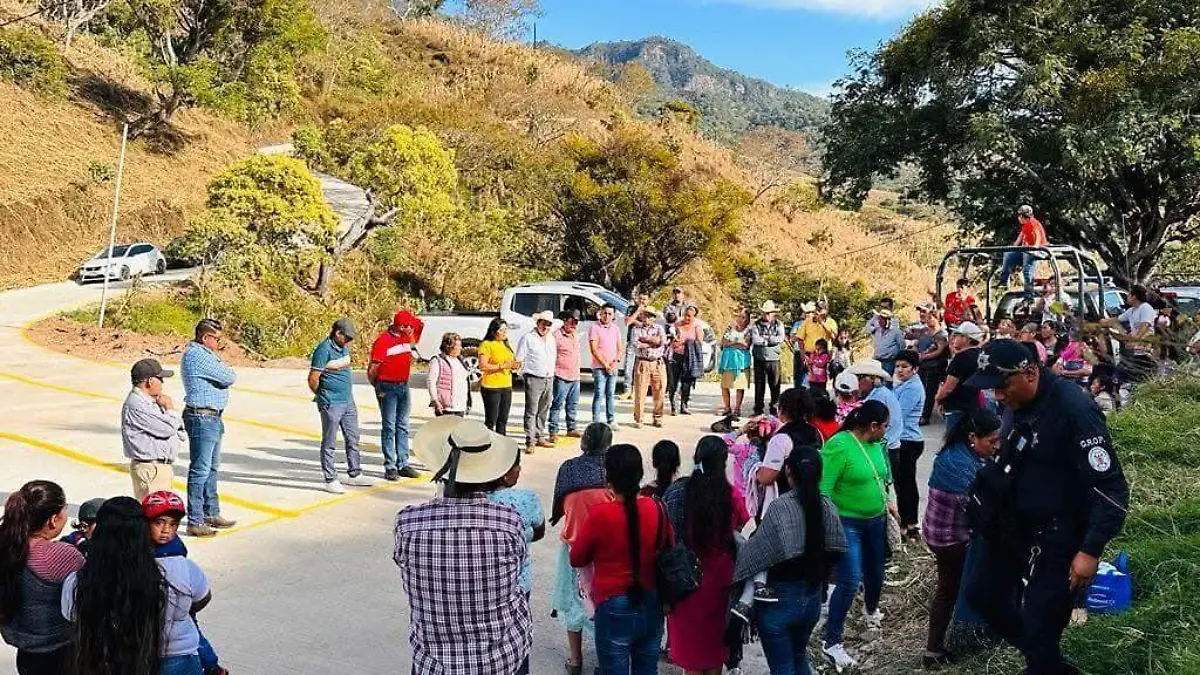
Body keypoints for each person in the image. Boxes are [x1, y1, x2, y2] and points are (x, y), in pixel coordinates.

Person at [964, 339, 1129, 675]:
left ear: (1029, 372)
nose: (997, 396)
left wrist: (1091, 550)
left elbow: (1110, 488)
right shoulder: (1016, 403)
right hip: (1014, 528)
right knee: (983, 595)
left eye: (1002, 386)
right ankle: (1047, 662)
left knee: (1043, 627)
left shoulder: (1074, 410)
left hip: (1058, 536)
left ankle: (1044, 660)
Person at [397, 416, 533, 675]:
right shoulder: (508, 521)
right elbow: (516, 572)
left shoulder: (408, 523)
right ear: (491, 472)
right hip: (500, 659)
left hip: (434, 662)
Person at [64, 496, 212, 675]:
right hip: (174, 659)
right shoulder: (182, 569)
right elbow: (201, 599)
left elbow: (70, 616)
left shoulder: (76, 582)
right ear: (144, 530)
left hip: (104, 663)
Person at [733, 446, 848, 675]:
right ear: (820, 474)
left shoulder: (780, 507)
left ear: (788, 472)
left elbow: (755, 554)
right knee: (798, 657)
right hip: (811, 601)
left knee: (783, 667)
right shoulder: (827, 506)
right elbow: (837, 550)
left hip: (779, 603)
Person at [571, 443, 672, 675]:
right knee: (647, 668)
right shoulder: (657, 507)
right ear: (639, 475)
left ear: (609, 478)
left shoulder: (600, 514)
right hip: (651, 599)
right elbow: (669, 547)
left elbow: (577, 557)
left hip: (613, 602)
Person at [819, 401, 896, 670]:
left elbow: (881, 478)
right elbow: (824, 490)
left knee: (876, 572)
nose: (887, 430)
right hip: (846, 522)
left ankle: (871, 610)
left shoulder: (877, 445)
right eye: (885, 425)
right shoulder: (839, 446)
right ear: (873, 426)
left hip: (876, 520)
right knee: (850, 580)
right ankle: (832, 642)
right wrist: (827, 527)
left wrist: (887, 502)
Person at [922, 409, 1002, 669]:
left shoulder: (957, 453)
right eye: (991, 441)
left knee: (949, 589)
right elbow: (985, 515)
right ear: (972, 437)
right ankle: (968, 643)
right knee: (964, 587)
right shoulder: (963, 468)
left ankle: (935, 649)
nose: (996, 446)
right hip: (950, 539)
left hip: (939, 532)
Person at [664, 437, 750, 675]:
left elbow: (668, 532)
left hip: (688, 581)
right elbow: (740, 526)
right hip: (721, 580)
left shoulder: (680, 492)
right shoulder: (730, 495)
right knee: (714, 652)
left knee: (691, 656)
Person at [550, 423, 615, 675]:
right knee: (605, 605)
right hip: (607, 552)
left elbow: (557, 510)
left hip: (574, 547)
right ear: (608, 445)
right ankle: (603, 662)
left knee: (573, 603)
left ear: (583, 443)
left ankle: (575, 661)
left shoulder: (568, 469)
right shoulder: (614, 471)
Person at [0, 481, 83, 675]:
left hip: (26, 651)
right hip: (61, 652)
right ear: (53, 520)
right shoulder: (61, 556)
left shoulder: (6, 547)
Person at [142, 492, 224, 675]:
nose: (166, 530)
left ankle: (211, 665)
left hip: (173, 647)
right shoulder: (140, 552)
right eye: (159, 522)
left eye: (173, 524)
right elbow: (202, 597)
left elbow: (201, 598)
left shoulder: (176, 553)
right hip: (162, 645)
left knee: (190, 625)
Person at [180, 319, 237, 538]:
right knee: (200, 469)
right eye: (217, 339)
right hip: (202, 417)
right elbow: (229, 376)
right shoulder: (197, 355)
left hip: (212, 417)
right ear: (205, 338)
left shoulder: (206, 354)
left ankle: (211, 512)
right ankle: (195, 519)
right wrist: (222, 370)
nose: (219, 344)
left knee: (212, 467)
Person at [309, 318, 375, 494]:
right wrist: (323, 396)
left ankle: (355, 473)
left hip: (348, 401)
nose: (349, 341)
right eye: (347, 337)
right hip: (331, 402)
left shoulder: (343, 347)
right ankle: (330, 478)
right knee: (330, 441)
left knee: (353, 438)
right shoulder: (323, 350)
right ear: (337, 333)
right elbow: (313, 378)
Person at [369, 310, 426, 481]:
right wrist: (378, 386)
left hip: (403, 385)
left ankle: (403, 463)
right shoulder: (382, 342)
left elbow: (420, 325)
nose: (411, 328)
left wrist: (413, 322)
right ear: (399, 326)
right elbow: (373, 369)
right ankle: (390, 466)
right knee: (389, 427)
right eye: (407, 326)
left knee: (402, 425)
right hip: (387, 386)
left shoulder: (407, 336)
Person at [488, 456, 546, 617]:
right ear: (504, 473)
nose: (519, 469)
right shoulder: (526, 498)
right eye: (516, 465)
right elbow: (539, 532)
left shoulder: (475, 500)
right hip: (517, 582)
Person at [123, 358, 185, 499]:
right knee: (154, 517)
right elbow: (168, 429)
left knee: (160, 517)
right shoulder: (137, 405)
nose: (162, 383)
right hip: (151, 470)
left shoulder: (150, 402)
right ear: (150, 381)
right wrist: (169, 407)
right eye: (160, 379)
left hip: (158, 468)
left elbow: (178, 428)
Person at [892, 350, 926, 540]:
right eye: (898, 366)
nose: (900, 370)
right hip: (903, 439)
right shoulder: (903, 384)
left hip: (909, 440)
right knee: (902, 483)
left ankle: (910, 524)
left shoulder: (913, 387)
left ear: (915, 369)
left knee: (906, 484)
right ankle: (907, 522)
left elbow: (898, 414)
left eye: (905, 367)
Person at [517, 310, 557, 454]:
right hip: (533, 377)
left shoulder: (551, 338)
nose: (545, 327)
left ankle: (539, 435)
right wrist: (522, 375)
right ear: (538, 322)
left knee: (543, 409)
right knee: (531, 411)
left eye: (548, 324)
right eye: (543, 323)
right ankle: (530, 440)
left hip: (548, 377)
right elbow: (519, 358)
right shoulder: (528, 338)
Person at [850, 359, 902, 469]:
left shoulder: (878, 397)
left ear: (872, 379)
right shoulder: (878, 393)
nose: (857, 382)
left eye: (860, 378)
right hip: (888, 445)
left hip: (886, 447)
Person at [935, 322, 986, 432]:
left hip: (957, 407)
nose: (953, 338)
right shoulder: (980, 354)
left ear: (966, 339)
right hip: (974, 405)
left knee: (954, 442)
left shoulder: (962, 357)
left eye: (957, 335)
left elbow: (948, 388)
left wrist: (938, 398)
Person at [477, 317, 520, 438]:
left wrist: (514, 365)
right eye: (502, 330)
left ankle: (502, 445)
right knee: (491, 420)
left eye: (506, 330)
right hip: (492, 387)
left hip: (506, 385)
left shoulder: (505, 344)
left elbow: (510, 361)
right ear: (494, 331)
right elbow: (483, 365)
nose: (505, 333)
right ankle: (486, 444)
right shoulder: (486, 344)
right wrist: (501, 366)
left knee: (503, 420)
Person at [1109, 284, 1158, 383]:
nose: (1127, 298)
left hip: (1146, 351)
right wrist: (1103, 322)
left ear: (1134, 296)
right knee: (1124, 375)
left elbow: (1145, 325)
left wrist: (1135, 341)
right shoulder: (1131, 310)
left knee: (1140, 377)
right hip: (1135, 352)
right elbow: (1117, 319)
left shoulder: (1145, 308)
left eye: (1128, 295)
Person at [629, 306, 668, 428]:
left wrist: (647, 340)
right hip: (643, 361)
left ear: (653, 318)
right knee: (640, 391)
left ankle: (658, 417)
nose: (646, 318)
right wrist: (653, 341)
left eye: (650, 316)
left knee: (660, 390)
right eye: (645, 315)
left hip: (657, 362)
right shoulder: (636, 329)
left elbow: (662, 342)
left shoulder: (659, 328)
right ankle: (639, 419)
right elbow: (636, 344)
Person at [550, 310, 584, 442]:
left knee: (573, 404)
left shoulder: (575, 334)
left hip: (575, 375)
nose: (574, 324)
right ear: (565, 320)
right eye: (572, 321)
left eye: (576, 322)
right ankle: (553, 431)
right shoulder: (556, 336)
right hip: (561, 375)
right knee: (557, 404)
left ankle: (571, 428)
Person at [998, 204, 1049, 294]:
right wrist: (1013, 247)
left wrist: (1035, 249)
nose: (1018, 218)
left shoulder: (1033, 223)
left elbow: (1038, 236)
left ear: (1021, 216)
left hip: (1040, 250)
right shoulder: (1025, 225)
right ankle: (1003, 281)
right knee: (1008, 253)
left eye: (1019, 215)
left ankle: (1028, 294)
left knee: (1027, 266)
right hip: (1028, 249)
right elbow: (1020, 237)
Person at [589, 304, 624, 429]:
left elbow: (620, 348)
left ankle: (611, 419)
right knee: (599, 393)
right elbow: (594, 349)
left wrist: (616, 362)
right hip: (599, 367)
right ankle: (596, 421)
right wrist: (605, 365)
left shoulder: (615, 328)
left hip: (613, 366)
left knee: (610, 393)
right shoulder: (594, 328)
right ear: (600, 313)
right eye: (605, 313)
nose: (607, 316)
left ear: (613, 315)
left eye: (610, 314)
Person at [915, 306, 950, 424]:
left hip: (934, 367)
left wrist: (924, 356)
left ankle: (925, 416)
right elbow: (917, 342)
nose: (928, 320)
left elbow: (939, 351)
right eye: (927, 318)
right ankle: (919, 413)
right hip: (922, 365)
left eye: (931, 318)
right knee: (921, 390)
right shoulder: (925, 331)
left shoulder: (941, 334)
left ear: (937, 319)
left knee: (929, 391)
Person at [751, 301, 786, 416]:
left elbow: (780, 338)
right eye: (765, 313)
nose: (767, 315)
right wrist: (770, 340)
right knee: (759, 385)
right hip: (759, 358)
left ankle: (774, 407)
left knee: (775, 384)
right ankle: (758, 408)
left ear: (773, 313)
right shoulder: (756, 324)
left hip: (774, 358)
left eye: (769, 313)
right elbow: (755, 339)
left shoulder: (779, 324)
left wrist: (765, 340)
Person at [669, 305, 705, 416]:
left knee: (686, 383)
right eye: (685, 315)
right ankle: (673, 406)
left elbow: (699, 342)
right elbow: (671, 338)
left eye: (689, 316)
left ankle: (684, 405)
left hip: (689, 358)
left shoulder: (697, 327)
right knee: (673, 382)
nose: (687, 318)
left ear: (694, 317)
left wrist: (686, 341)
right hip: (676, 356)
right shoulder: (677, 324)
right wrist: (674, 341)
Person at [719, 308, 753, 419]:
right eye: (739, 316)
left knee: (740, 385)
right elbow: (723, 342)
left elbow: (745, 344)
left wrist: (731, 343)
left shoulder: (748, 331)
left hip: (741, 360)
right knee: (725, 385)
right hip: (728, 359)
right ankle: (727, 408)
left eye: (743, 317)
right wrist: (737, 342)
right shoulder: (730, 328)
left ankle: (737, 408)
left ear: (748, 319)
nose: (741, 319)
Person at [426, 333, 471, 417]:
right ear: (449, 346)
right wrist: (435, 400)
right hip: (446, 407)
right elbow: (431, 382)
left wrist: (468, 403)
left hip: (460, 406)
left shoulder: (460, 360)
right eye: (458, 346)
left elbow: (465, 381)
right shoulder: (437, 360)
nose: (461, 348)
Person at [868, 310, 905, 377]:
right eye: (879, 319)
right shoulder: (877, 330)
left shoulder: (896, 332)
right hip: (877, 361)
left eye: (882, 319)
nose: (880, 321)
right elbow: (867, 328)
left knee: (887, 381)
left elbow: (902, 346)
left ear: (888, 320)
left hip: (889, 362)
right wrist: (874, 317)